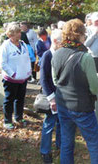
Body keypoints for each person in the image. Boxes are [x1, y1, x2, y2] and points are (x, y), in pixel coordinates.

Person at [52, 19, 98, 164]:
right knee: (94, 143)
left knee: (66, 142)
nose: (85, 36)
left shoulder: (56, 53)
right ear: (80, 35)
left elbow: (56, 81)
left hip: (63, 104)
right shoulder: (85, 57)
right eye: (84, 33)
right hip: (82, 107)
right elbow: (94, 87)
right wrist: (94, 92)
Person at [0, 23, 32, 130]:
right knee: (9, 99)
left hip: (23, 77)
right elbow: (3, 63)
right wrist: (13, 74)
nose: (18, 35)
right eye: (15, 33)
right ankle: (7, 121)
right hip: (11, 78)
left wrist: (28, 72)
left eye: (19, 32)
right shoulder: (5, 46)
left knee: (20, 98)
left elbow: (27, 59)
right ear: (9, 35)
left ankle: (19, 117)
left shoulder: (23, 44)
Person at [39, 29, 62, 164]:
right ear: (55, 41)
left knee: (61, 122)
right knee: (49, 124)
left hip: (63, 95)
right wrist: (52, 98)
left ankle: (59, 144)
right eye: (62, 41)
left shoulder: (61, 54)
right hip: (52, 96)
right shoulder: (48, 55)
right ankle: (45, 151)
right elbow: (43, 79)